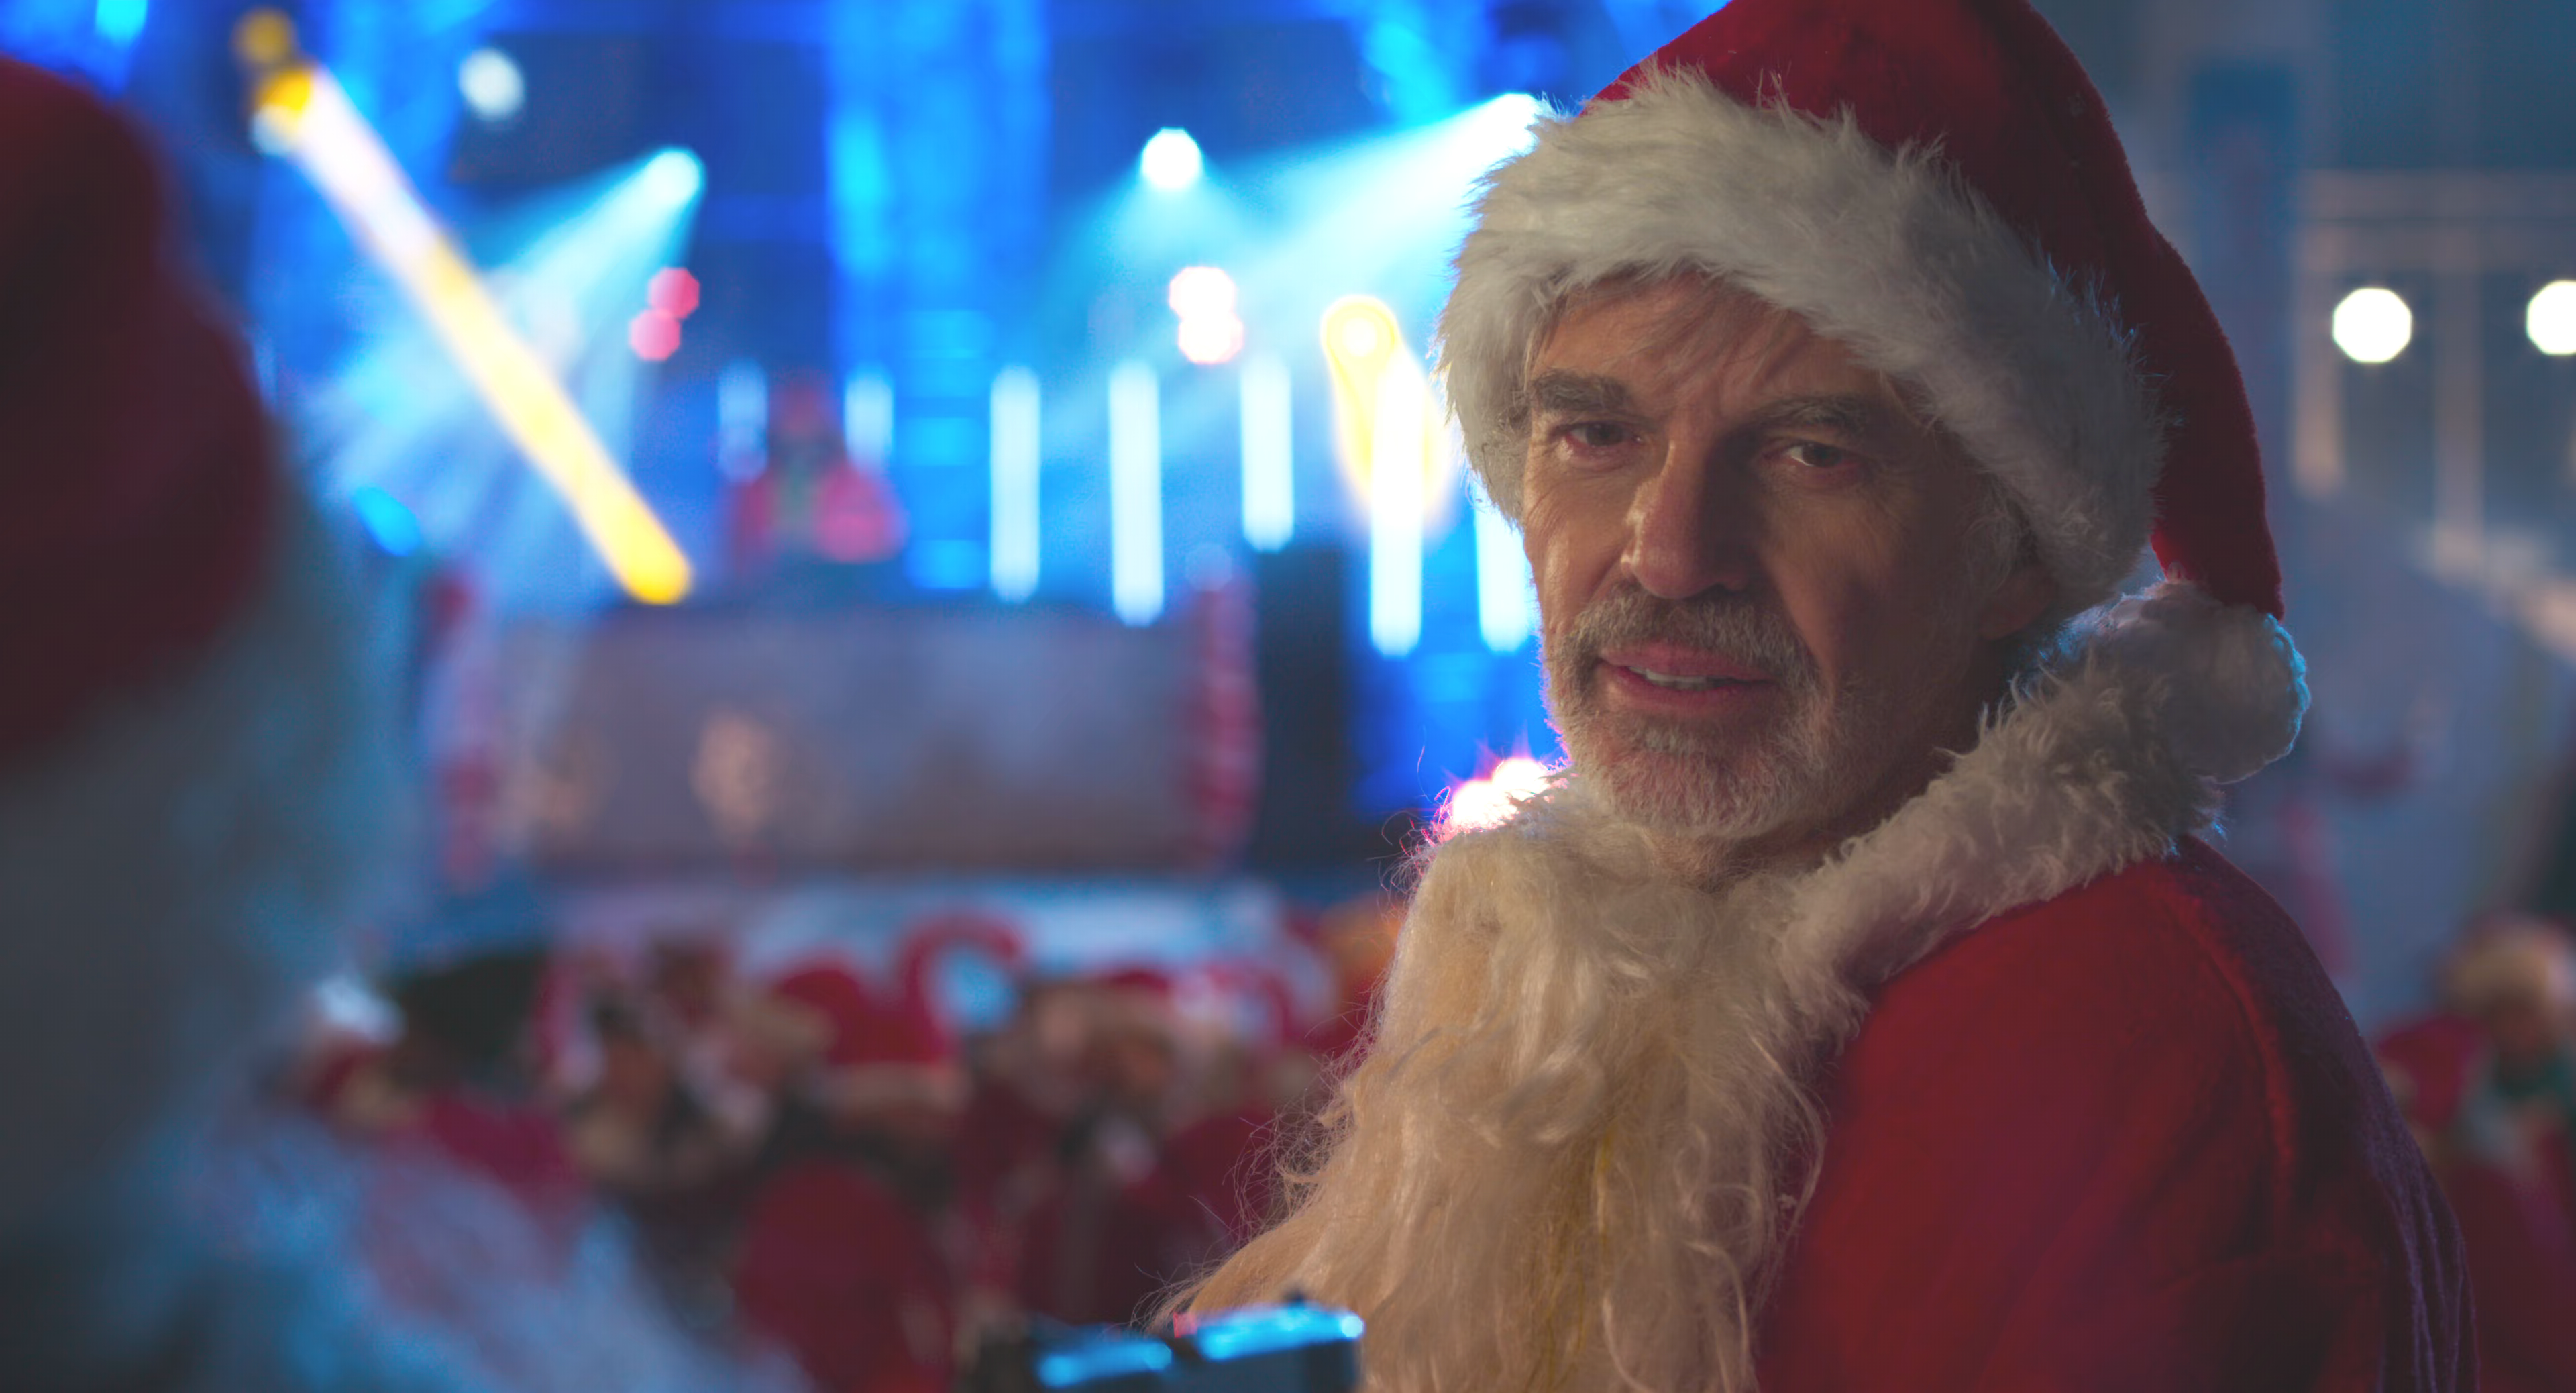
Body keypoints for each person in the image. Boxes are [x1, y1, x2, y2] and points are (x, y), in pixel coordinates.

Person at [1187, 1, 2469, 1388]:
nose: (1669, 554)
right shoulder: (1571, 954)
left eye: (1812, 454)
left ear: (2015, 554)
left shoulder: (2146, 1058)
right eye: (1597, 435)